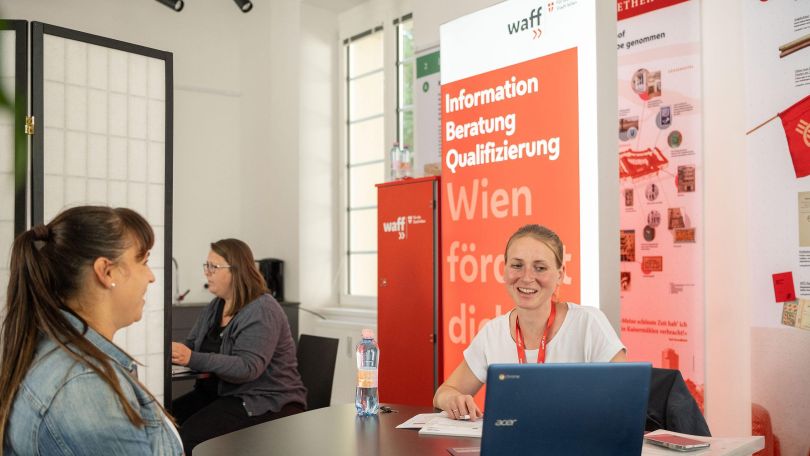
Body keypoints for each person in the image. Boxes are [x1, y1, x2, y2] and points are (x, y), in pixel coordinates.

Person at [0, 206, 183, 455]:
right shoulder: (82, 388)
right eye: (143, 261)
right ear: (106, 272)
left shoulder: (60, 356)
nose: (151, 277)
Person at [433, 224, 627, 421]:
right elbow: (444, 392)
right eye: (517, 265)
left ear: (560, 275)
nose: (526, 278)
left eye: (540, 268)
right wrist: (453, 399)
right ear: (504, 270)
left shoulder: (588, 323)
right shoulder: (493, 332)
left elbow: (626, 398)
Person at [171, 239, 306, 454]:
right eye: (206, 266)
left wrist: (191, 357)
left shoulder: (262, 309)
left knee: (186, 439)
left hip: (261, 400)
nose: (207, 272)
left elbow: (248, 367)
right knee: (164, 424)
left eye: (213, 267)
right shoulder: (216, 306)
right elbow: (192, 345)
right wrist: (174, 352)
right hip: (218, 395)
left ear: (237, 271)